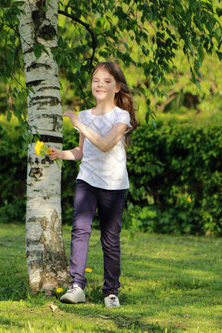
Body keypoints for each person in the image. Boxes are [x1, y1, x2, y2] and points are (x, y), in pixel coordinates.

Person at [48, 61, 139, 309]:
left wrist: (78, 123)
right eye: (96, 80)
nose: (100, 85)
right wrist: (61, 153)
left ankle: (111, 292)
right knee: (80, 230)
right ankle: (76, 287)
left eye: (107, 81)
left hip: (114, 185)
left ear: (117, 87)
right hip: (87, 180)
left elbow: (106, 144)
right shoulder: (87, 115)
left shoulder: (121, 116)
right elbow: (81, 151)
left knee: (110, 239)